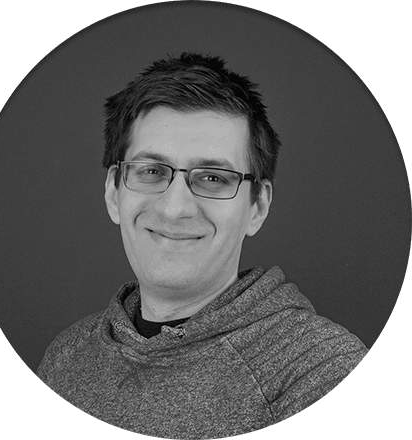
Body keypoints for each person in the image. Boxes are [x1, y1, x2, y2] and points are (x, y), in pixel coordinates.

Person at [37, 53, 368, 439]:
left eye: (213, 177)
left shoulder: (323, 376)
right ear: (114, 192)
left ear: (258, 206)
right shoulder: (67, 357)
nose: (175, 208)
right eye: (152, 171)